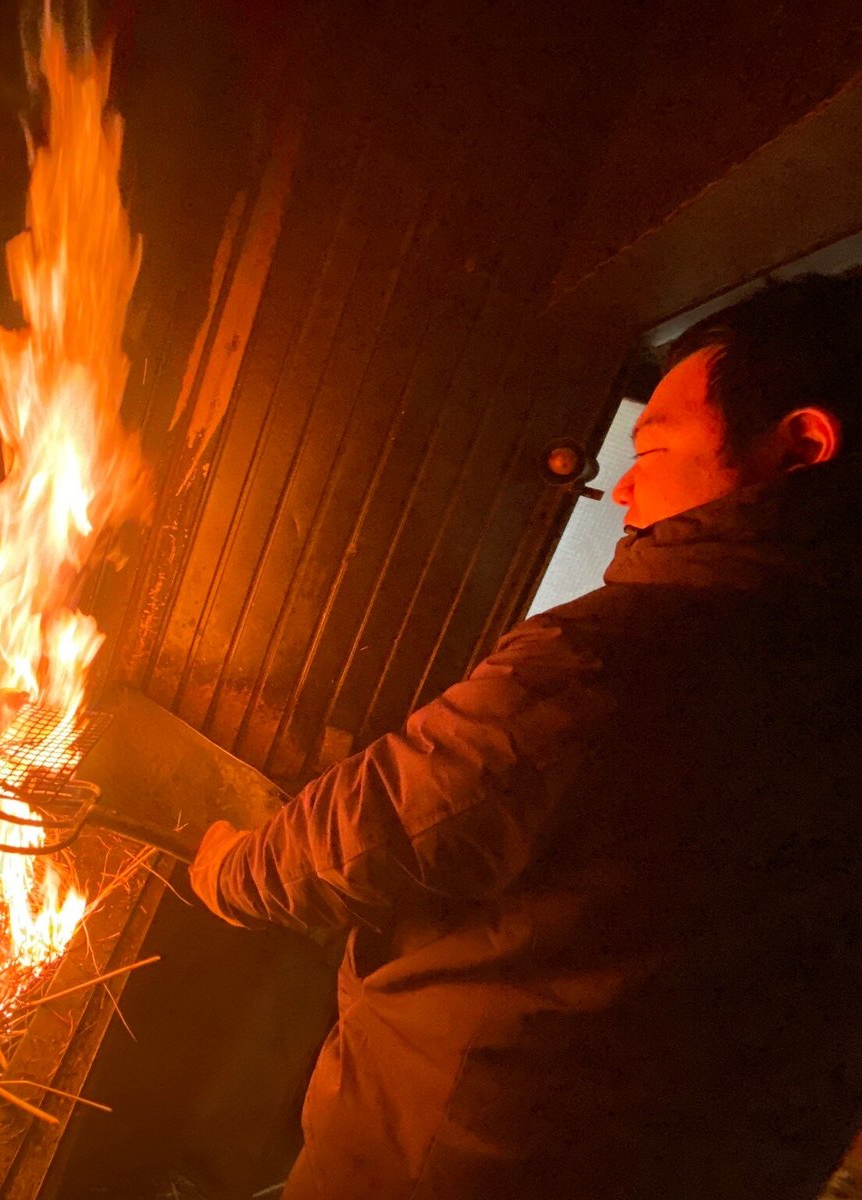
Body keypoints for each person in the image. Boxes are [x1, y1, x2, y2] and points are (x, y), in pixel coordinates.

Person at [188, 272, 862, 1200]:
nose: (622, 483)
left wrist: (226, 870)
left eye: (654, 446)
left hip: (475, 1155)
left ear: (800, 444)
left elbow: (382, 823)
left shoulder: (636, 650)